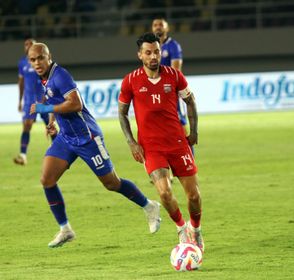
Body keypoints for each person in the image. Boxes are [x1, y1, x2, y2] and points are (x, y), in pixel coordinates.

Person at [28, 42, 161, 248]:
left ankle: (149, 206)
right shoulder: (44, 78)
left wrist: (45, 108)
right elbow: (53, 96)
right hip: (66, 138)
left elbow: (76, 103)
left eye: (40, 58)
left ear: (49, 56)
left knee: (112, 183)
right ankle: (65, 229)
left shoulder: (61, 75)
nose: (37, 63)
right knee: (47, 179)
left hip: (87, 137)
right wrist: (53, 120)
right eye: (33, 60)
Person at [118, 32, 204, 251]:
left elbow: (190, 102)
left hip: (177, 142)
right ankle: (182, 228)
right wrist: (131, 142)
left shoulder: (174, 76)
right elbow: (122, 114)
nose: (154, 56)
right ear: (140, 55)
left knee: (193, 196)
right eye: (148, 52)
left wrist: (193, 131)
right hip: (151, 146)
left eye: (156, 51)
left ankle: (196, 229)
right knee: (165, 193)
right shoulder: (130, 80)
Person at [151, 17, 193, 153]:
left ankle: (189, 157)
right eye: (155, 25)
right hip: (155, 93)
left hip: (171, 92)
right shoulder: (150, 47)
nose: (158, 27)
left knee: (180, 125)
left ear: (166, 28)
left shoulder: (173, 46)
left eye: (160, 25)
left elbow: (175, 72)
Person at [14, 38, 53, 165]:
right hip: (29, 101)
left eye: (30, 44)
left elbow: (48, 79)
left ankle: (59, 152)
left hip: (43, 99)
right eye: (26, 45)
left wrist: (47, 96)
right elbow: (21, 82)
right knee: (27, 125)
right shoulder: (22, 63)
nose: (28, 46)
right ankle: (23, 155)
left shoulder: (41, 62)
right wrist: (20, 100)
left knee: (51, 126)